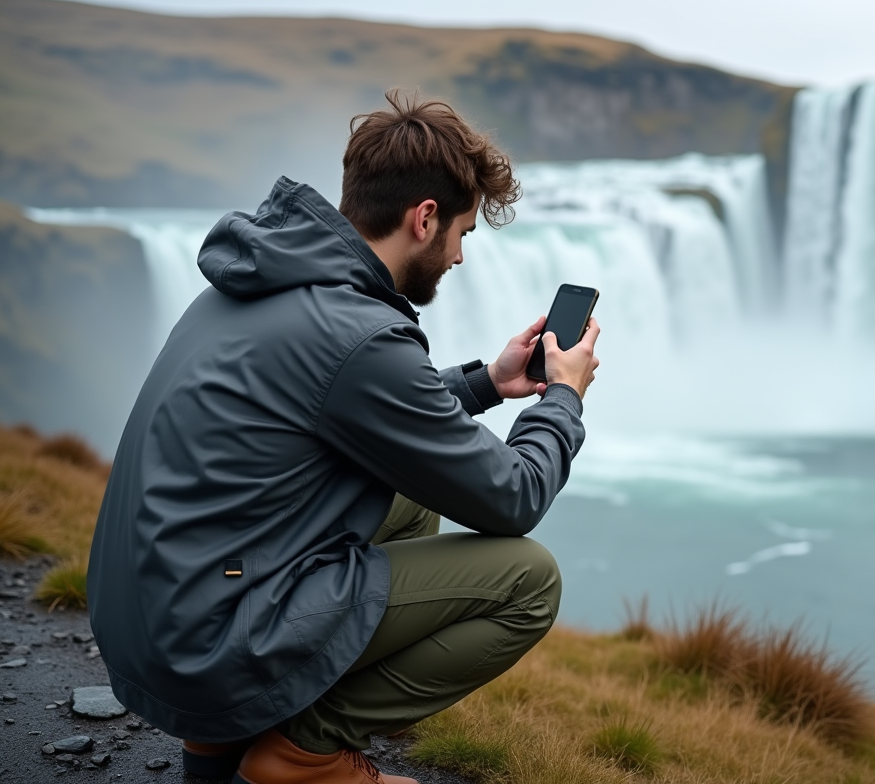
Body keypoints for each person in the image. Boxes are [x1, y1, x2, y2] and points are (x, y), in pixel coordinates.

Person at [86, 90, 601, 784]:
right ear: (424, 219)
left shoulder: (261, 277)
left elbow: (333, 407)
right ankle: (304, 753)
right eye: (463, 234)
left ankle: (223, 746)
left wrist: (485, 383)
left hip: (150, 620)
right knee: (528, 581)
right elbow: (513, 496)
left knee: (411, 502)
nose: (457, 257)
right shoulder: (359, 333)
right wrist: (564, 396)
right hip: (202, 650)